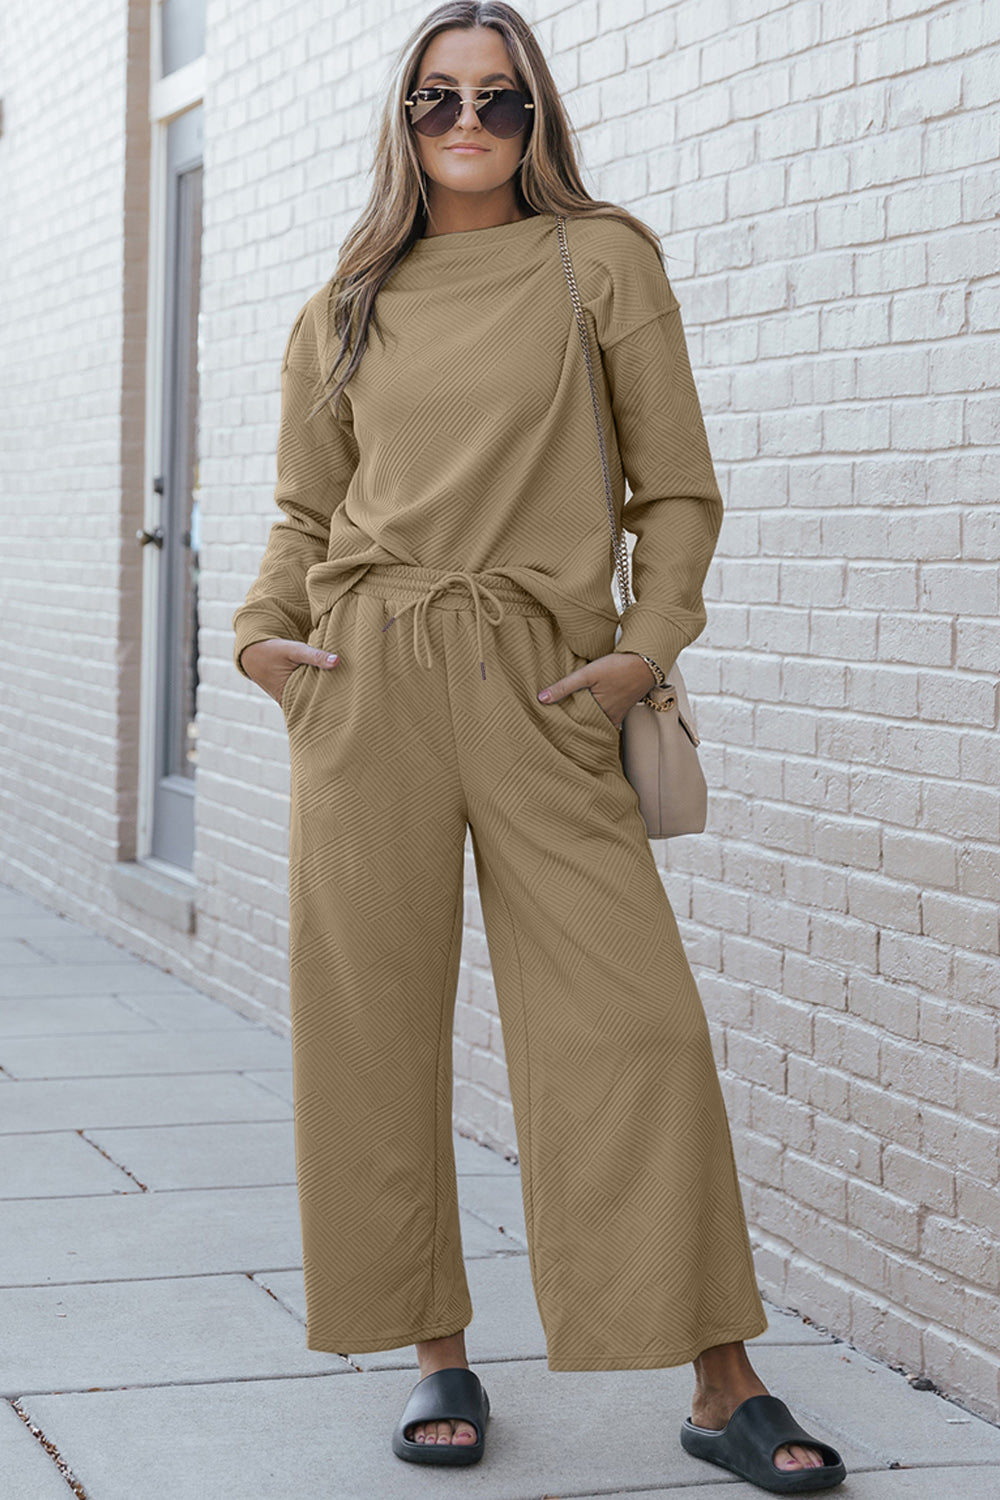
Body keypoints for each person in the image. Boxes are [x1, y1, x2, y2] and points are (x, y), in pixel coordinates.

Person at [233, 3, 846, 1492]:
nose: (468, 122)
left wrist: (651, 640)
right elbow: (308, 515)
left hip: (543, 681)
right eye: (439, 97)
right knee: (373, 1027)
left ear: (537, 117)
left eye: (499, 100)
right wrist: (263, 636)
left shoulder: (600, 263)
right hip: (365, 678)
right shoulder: (348, 303)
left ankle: (721, 1375)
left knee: (634, 1026)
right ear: (403, 115)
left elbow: (676, 486)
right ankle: (435, 1348)